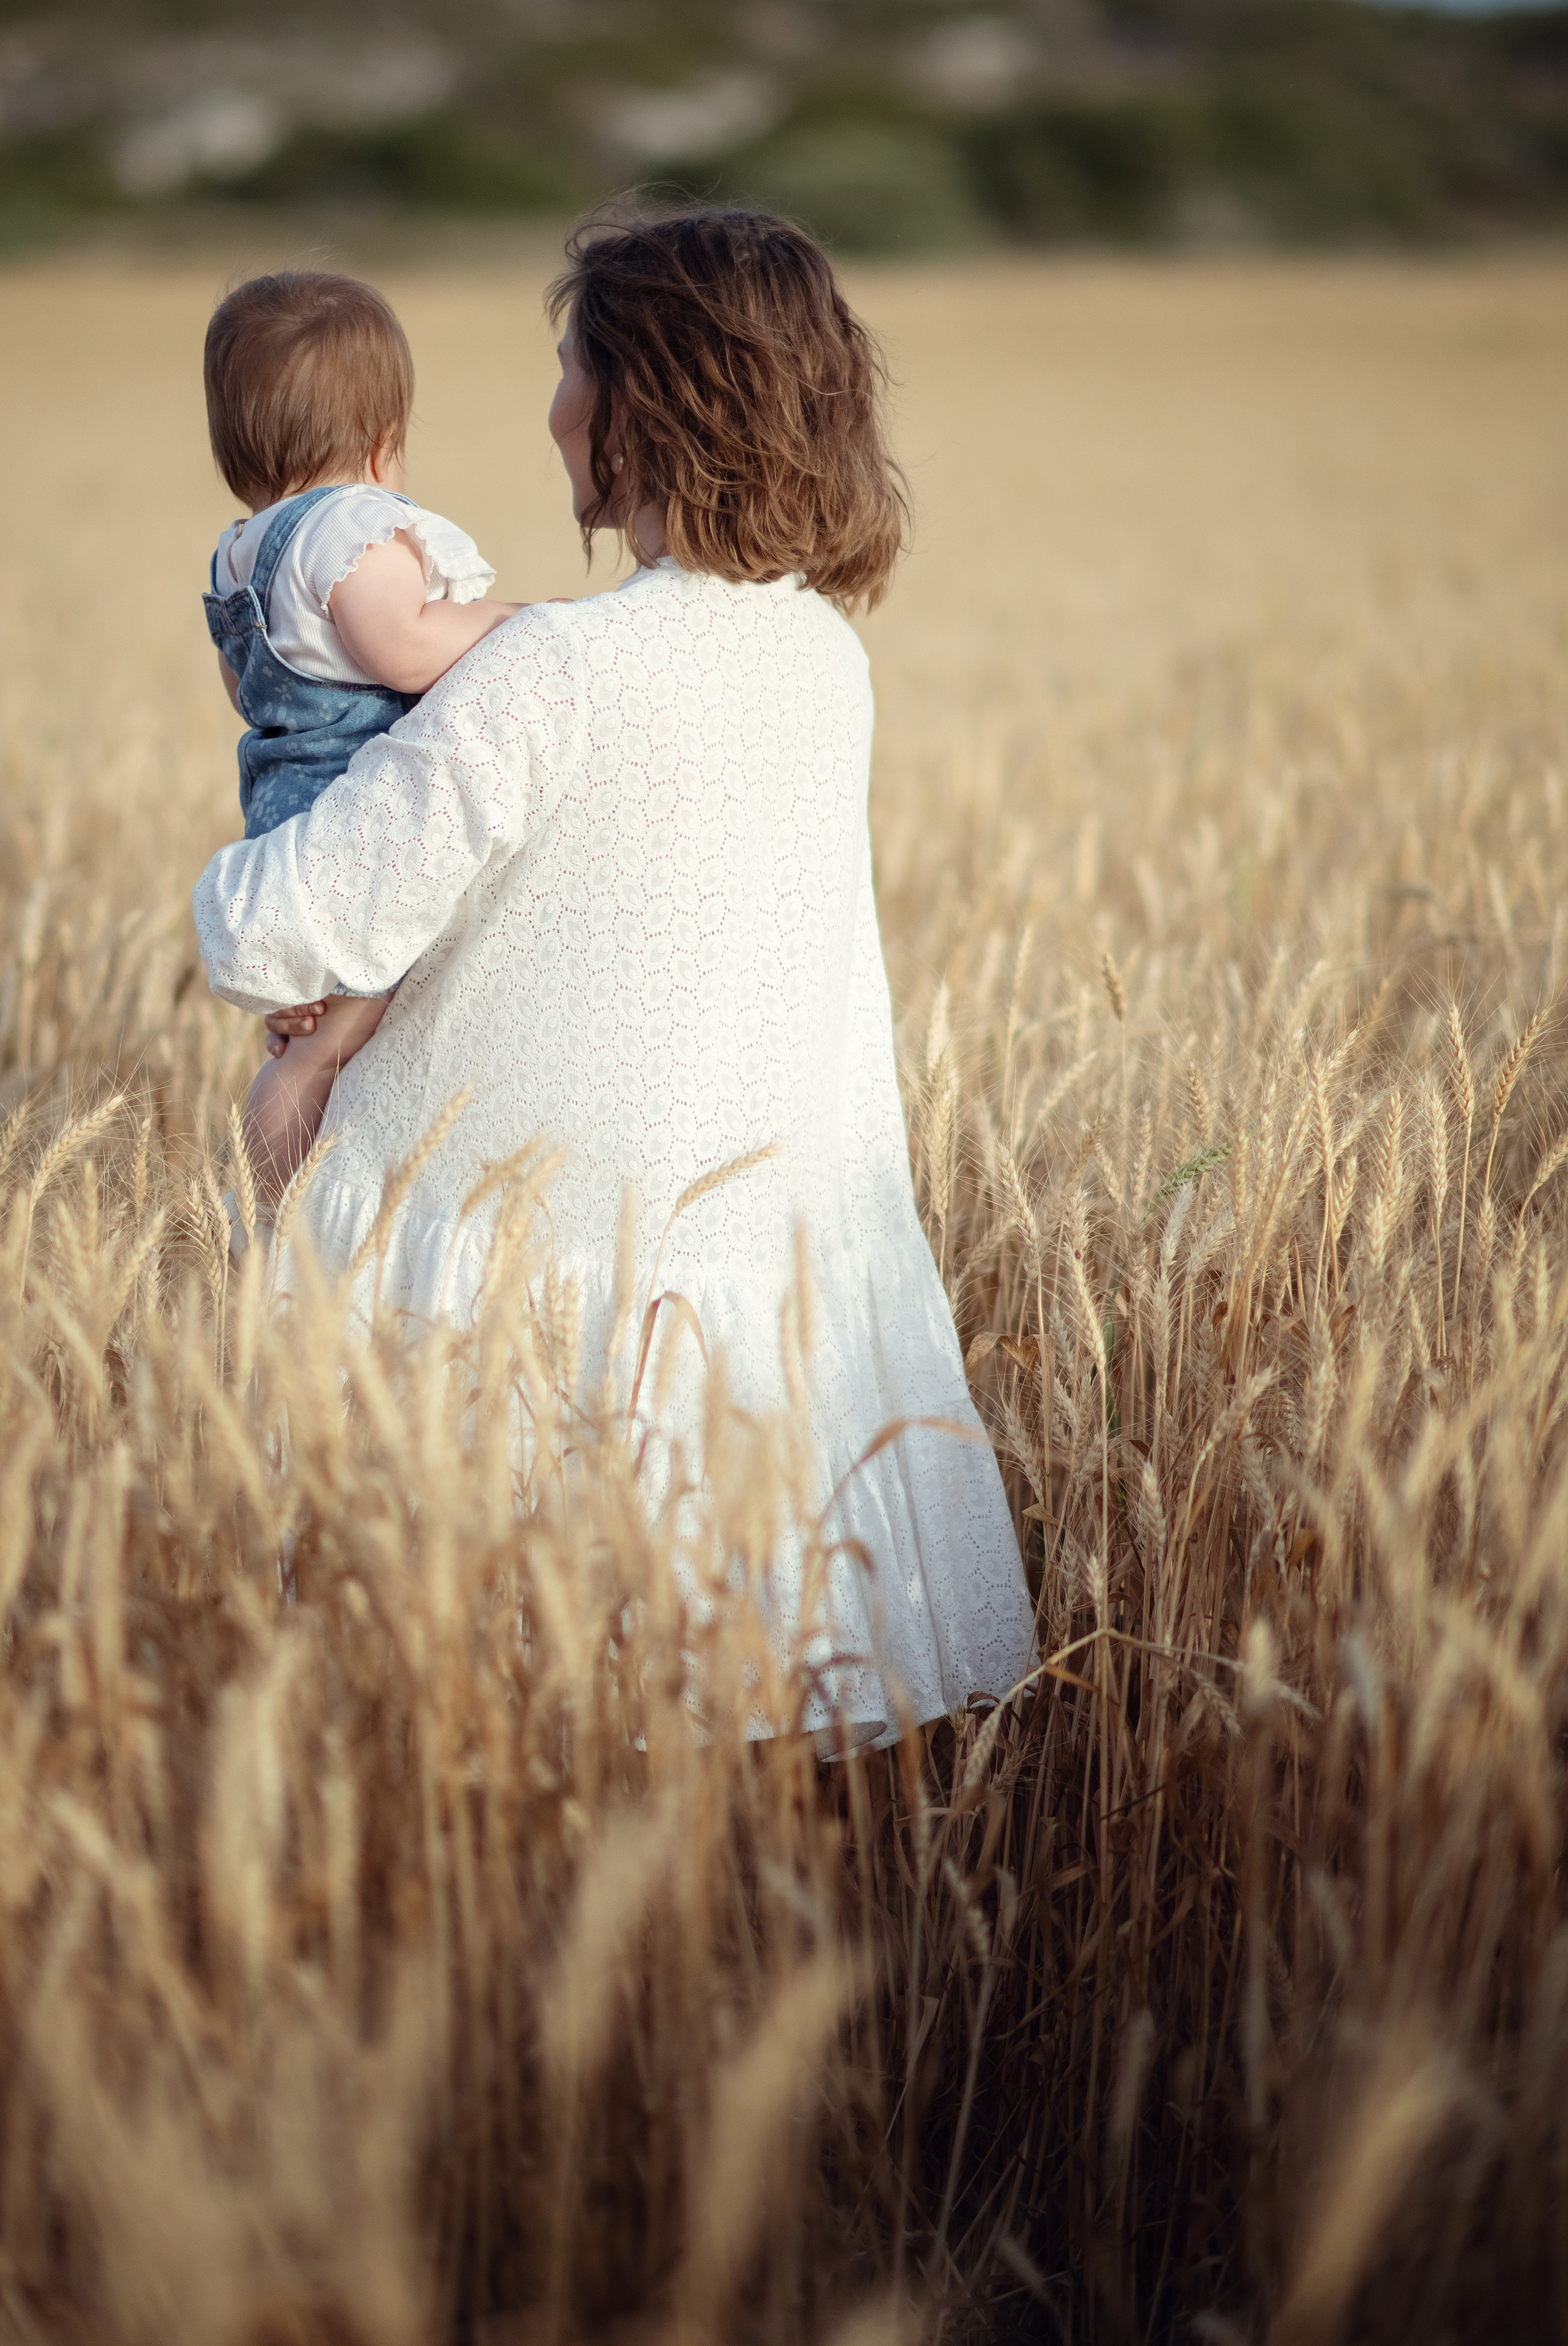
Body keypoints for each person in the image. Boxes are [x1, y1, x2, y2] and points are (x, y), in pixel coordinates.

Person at [194, 210, 1033, 1741]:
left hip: (522, 1281)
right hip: (756, 1276)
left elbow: (281, 926)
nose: (550, 409)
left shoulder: (551, 671)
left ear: (633, 407)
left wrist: (233, 877)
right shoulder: (817, 654)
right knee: (726, 1734)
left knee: (500, 1742)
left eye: (569, 370)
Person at [200, 269, 519, 1204]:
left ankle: (284, 1207)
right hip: (360, 814)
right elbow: (405, 647)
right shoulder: (355, 527)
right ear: (384, 441)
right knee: (330, 1049)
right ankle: (283, 1213)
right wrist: (517, 621)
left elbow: (247, 684)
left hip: (282, 811)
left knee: (314, 1033)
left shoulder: (240, 551)